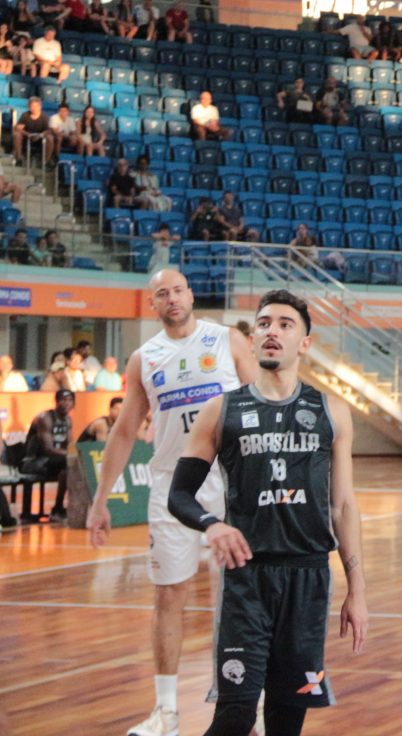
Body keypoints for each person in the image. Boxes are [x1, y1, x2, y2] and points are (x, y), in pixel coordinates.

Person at [168, 289, 367, 736]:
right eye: (263, 324)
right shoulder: (221, 410)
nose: (272, 331)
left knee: (286, 720)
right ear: (252, 339)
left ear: (304, 343)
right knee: (236, 716)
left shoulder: (331, 411)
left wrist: (357, 590)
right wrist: (212, 525)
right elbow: (179, 495)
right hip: (247, 580)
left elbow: (343, 505)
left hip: (308, 579)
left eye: (284, 324)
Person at [86, 269, 257, 736]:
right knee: (168, 594)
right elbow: (124, 431)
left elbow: (262, 405)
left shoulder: (227, 340)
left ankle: (246, 704)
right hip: (170, 485)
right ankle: (166, 712)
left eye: (178, 290)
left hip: (229, 480)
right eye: (162, 293)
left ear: (191, 294)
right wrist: (100, 499)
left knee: (240, 596)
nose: (172, 298)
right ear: (153, 304)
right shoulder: (144, 358)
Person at [19, 388, 74, 523]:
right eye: (63, 400)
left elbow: (70, 445)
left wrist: (75, 454)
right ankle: (58, 508)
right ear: (56, 401)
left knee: (69, 467)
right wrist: (71, 454)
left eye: (70, 400)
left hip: (55, 462)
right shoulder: (45, 418)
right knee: (67, 461)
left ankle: (60, 507)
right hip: (34, 462)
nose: (66, 403)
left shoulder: (68, 420)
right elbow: (47, 449)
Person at [14, 96, 56, 164]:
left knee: (50, 138)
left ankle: (46, 161)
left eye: (36, 106)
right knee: (17, 135)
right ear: (29, 107)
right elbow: (18, 128)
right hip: (27, 137)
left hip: (40, 139)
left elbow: (48, 131)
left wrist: (40, 135)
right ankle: (19, 158)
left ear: (40, 107)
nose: (34, 108)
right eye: (32, 106)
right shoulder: (25, 115)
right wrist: (27, 134)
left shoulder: (44, 117)